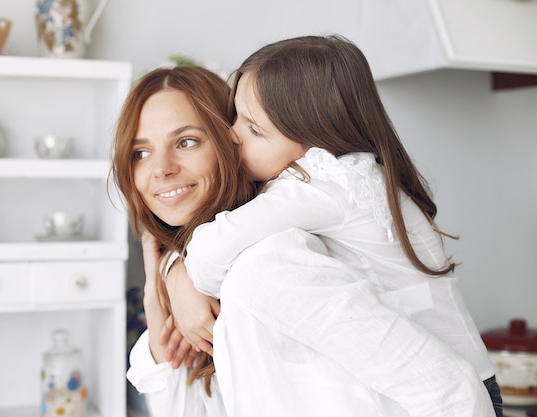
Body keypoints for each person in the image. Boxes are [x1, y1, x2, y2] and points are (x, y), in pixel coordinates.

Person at [112, 65, 496, 417]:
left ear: (230, 140)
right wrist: (165, 329)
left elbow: (451, 393)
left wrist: (182, 273)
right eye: (140, 152)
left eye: (187, 142)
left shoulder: (269, 265)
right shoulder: (208, 282)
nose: (161, 169)